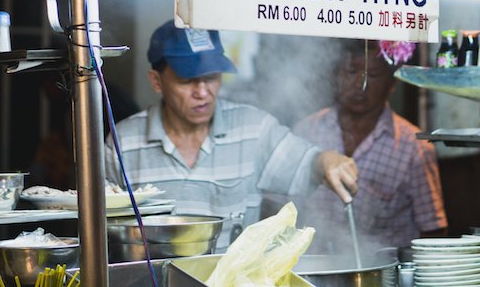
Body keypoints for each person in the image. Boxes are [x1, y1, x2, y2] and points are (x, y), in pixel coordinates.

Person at [104, 20, 358, 251]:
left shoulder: (253, 129)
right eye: (187, 80)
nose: (202, 92)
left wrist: (326, 161)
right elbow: (104, 231)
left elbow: (307, 164)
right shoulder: (122, 143)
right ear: (156, 81)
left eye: (211, 77)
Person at [293, 39, 447, 253]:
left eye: (372, 75)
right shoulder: (305, 132)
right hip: (314, 268)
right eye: (351, 71)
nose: (360, 84)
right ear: (336, 76)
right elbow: (281, 208)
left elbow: (432, 229)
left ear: (392, 83)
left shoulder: (415, 147)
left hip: (382, 273)